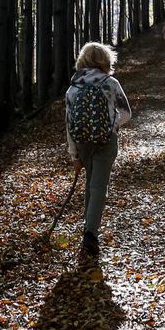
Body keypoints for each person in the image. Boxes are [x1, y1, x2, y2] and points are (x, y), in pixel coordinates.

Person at [65, 42, 132, 257]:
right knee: (98, 188)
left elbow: (68, 123)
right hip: (105, 141)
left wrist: (74, 155)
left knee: (90, 185)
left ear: (83, 60)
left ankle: (88, 228)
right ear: (105, 60)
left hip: (82, 142)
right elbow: (126, 113)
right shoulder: (110, 83)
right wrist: (110, 125)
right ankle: (90, 234)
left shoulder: (73, 88)